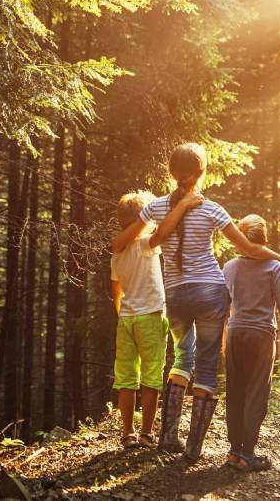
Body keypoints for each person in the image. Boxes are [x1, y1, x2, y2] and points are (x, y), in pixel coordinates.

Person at [111, 143, 280, 461]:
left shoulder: (155, 208)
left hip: (176, 295)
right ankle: (193, 447)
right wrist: (279, 258)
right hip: (209, 292)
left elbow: (133, 241)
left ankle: (167, 436)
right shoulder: (212, 209)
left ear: (171, 173)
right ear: (202, 172)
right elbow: (248, 248)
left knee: (182, 358)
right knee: (206, 369)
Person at [109, 190, 201, 449]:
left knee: (126, 377)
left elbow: (116, 293)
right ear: (143, 220)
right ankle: (147, 433)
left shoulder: (117, 255)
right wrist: (182, 206)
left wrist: (125, 315)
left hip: (126, 320)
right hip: (150, 316)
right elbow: (163, 234)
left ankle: (127, 433)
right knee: (151, 375)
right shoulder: (145, 245)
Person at [222, 214, 280, 471]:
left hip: (235, 333)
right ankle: (248, 454)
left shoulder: (230, 267)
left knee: (235, 392)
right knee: (256, 394)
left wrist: (219, 338)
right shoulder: (273, 267)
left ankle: (234, 452)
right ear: (263, 239)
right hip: (261, 337)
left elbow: (222, 307)